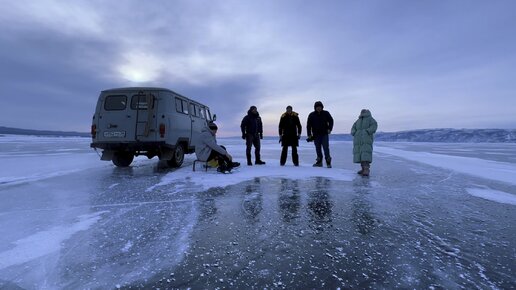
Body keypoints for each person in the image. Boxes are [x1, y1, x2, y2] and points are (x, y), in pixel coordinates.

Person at [351, 109, 378, 176]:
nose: (362, 113)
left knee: (365, 153)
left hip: (366, 139)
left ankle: (366, 169)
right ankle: (363, 169)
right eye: (362, 112)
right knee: (361, 155)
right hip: (358, 140)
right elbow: (353, 127)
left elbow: (374, 125)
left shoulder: (370, 119)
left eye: (364, 112)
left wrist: (368, 131)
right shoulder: (358, 121)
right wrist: (354, 132)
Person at [306, 101, 334, 168]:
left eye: (320, 107)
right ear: (315, 108)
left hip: (324, 134)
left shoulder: (326, 113)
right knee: (318, 149)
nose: (318, 108)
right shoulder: (311, 115)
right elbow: (308, 125)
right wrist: (309, 134)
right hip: (316, 135)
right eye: (317, 107)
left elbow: (331, 121)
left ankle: (328, 163)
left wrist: (330, 129)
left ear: (322, 107)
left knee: (326, 148)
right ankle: (319, 162)